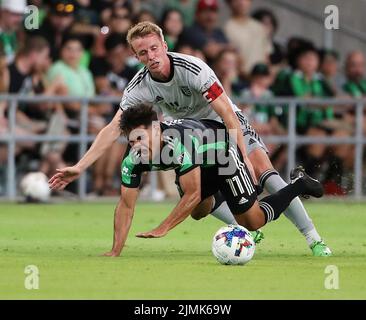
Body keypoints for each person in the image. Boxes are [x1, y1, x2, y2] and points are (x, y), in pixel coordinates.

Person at [49, 21, 331, 256]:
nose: (151, 56)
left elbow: (227, 114)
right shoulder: (138, 86)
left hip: (226, 125)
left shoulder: (194, 69)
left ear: (164, 45)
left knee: (265, 174)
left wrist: (243, 153)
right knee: (198, 206)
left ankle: (313, 238)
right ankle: (241, 228)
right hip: (194, 137)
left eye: (154, 48)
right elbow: (113, 128)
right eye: (143, 52)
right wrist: (80, 166)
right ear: (136, 57)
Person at [99, 105, 323, 256]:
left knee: (252, 221)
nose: (137, 145)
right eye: (132, 140)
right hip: (200, 162)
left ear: (156, 129)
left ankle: (299, 185)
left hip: (223, 155)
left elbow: (193, 193)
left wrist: (163, 227)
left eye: (141, 138)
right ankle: (234, 200)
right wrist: (115, 251)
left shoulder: (179, 143)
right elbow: (126, 204)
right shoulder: (133, 159)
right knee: (197, 212)